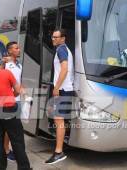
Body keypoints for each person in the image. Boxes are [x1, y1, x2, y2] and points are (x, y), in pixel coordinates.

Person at [0, 56, 31, 170]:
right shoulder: (6, 73)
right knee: (17, 140)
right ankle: (24, 168)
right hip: (9, 110)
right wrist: (12, 94)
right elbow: (18, 91)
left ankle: (0, 167)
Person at [45, 29, 75, 164]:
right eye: (52, 37)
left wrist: (56, 87)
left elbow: (64, 69)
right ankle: (59, 149)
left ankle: (58, 152)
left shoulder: (61, 50)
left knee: (59, 121)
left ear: (63, 38)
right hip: (65, 88)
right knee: (59, 119)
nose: (53, 39)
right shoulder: (65, 49)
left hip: (63, 89)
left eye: (56, 37)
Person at [1, 42, 23, 162]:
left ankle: (8, 149)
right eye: (16, 48)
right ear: (9, 51)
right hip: (9, 100)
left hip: (17, 100)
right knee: (8, 129)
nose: (19, 50)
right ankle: (6, 150)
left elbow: (18, 82)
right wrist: (3, 63)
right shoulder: (6, 64)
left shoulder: (19, 65)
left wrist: (22, 90)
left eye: (18, 48)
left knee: (13, 129)